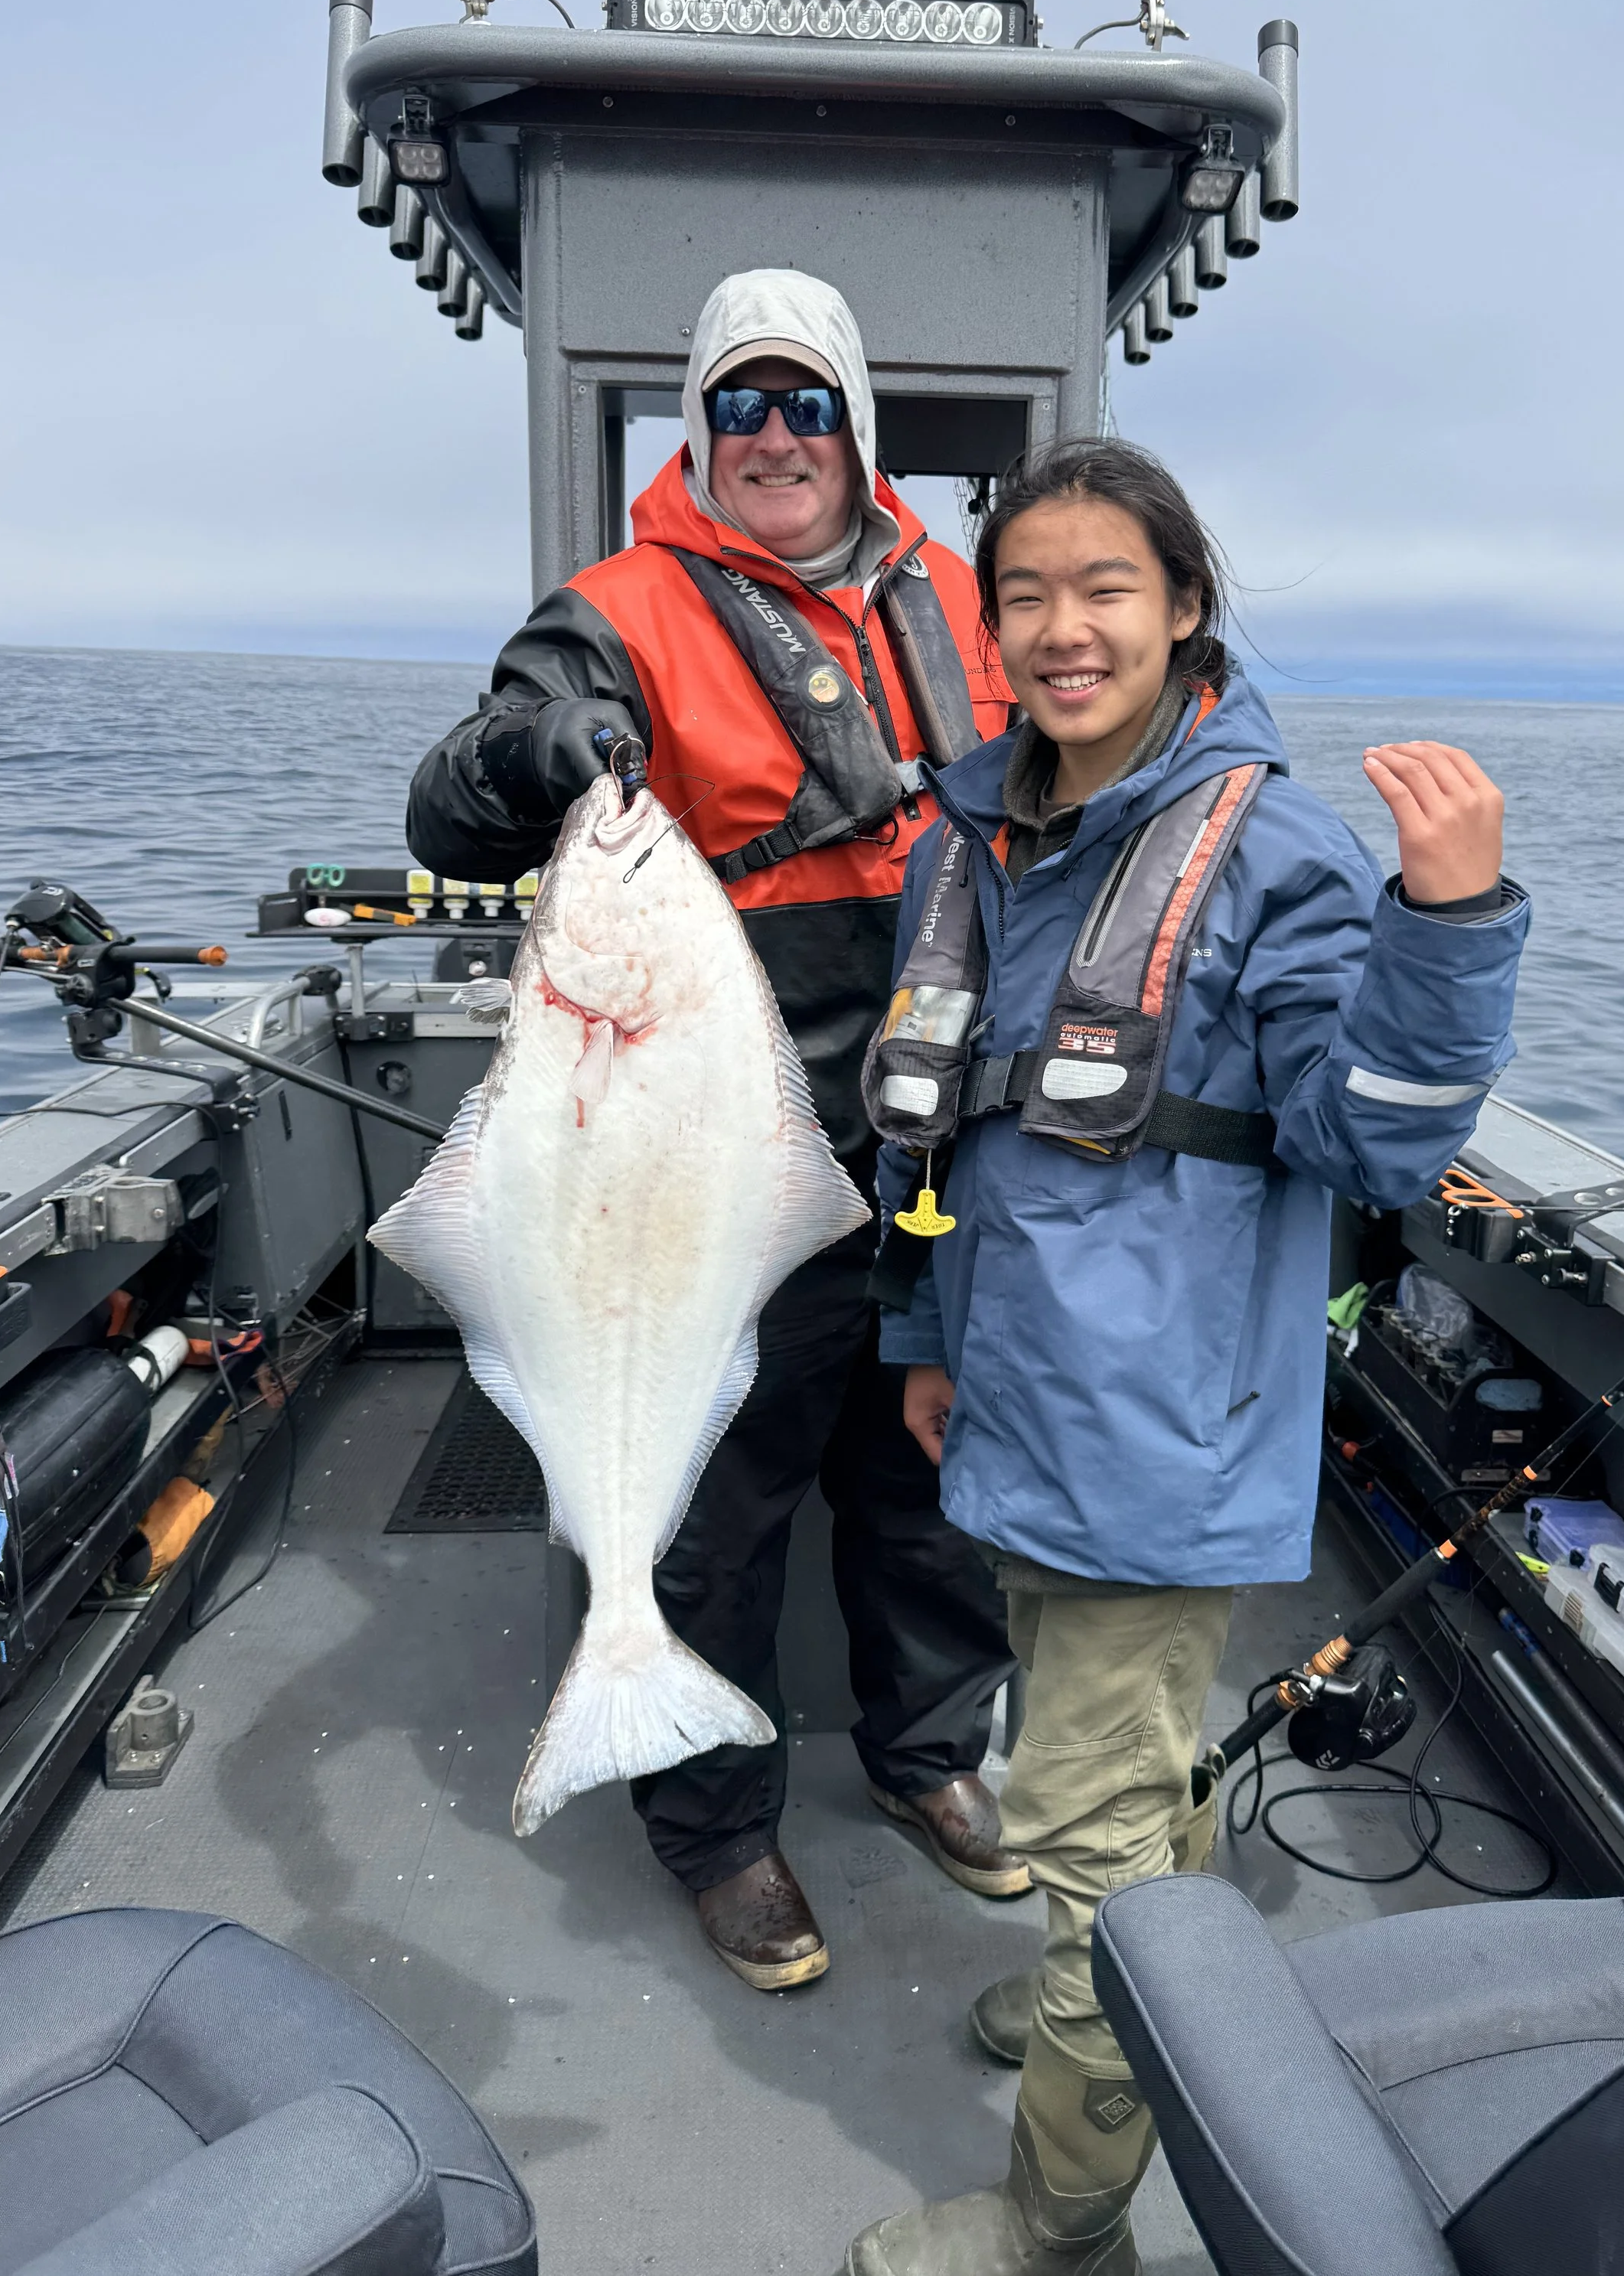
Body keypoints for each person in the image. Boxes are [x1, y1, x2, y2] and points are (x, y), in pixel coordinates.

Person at [843, 437, 1528, 2274]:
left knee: (1089, 1841)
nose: (1061, 630)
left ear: (1184, 610)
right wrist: (921, 1332)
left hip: (1154, 1446)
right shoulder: (980, 834)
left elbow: (1368, 1138)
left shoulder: (1276, 849)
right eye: (1023, 594)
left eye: (1104, 591)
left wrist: (1448, 919)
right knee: (1128, 1781)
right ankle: (1161, 2014)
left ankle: (1061, 2222)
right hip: (1006, 1410)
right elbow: (943, 1137)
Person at [408, 269, 1024, 1991]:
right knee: (718, 1501)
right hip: (713, 1135)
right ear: (695, 424)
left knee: (926, 1483)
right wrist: (553, 748)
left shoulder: (954, 597)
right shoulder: (615, 608)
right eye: (737, 403)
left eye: (804, 401)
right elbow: (448, 804)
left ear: (855, 427)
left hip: (935, 1128)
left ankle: (925, 1758)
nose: (771, 435)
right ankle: (715, 1827)